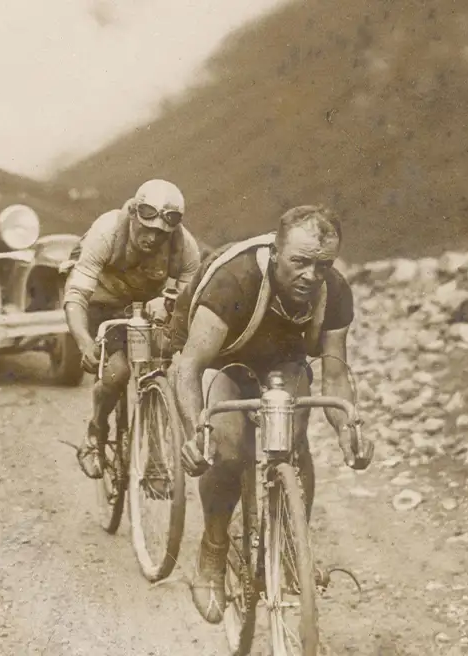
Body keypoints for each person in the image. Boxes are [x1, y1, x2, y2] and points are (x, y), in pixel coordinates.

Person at [168, 204, 374, 624]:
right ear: (276, 252)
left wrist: (347, 429)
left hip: (282, 362)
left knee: (294, 443)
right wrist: (196, 434)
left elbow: (334, 374)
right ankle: (213, 548)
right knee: (225, 449)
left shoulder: (333, 290)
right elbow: (188, 368)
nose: (311, 276)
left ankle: (291, 547)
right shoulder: (236, 280)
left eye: (323, 265)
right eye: (300, 262)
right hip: (224, 359)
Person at [62, 179, 203, 484]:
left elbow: (187, 300)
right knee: (118, 370)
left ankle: (154, 457)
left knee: (160, 369)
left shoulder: (185, 247)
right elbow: (76, 295)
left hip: (145, 306)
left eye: (161, 234)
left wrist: (167, 305)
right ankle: (96, 430)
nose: (152, 239)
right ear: (135, 215)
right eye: (145, 229)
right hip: (102, 303)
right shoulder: (107, 231)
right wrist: (84, 341)